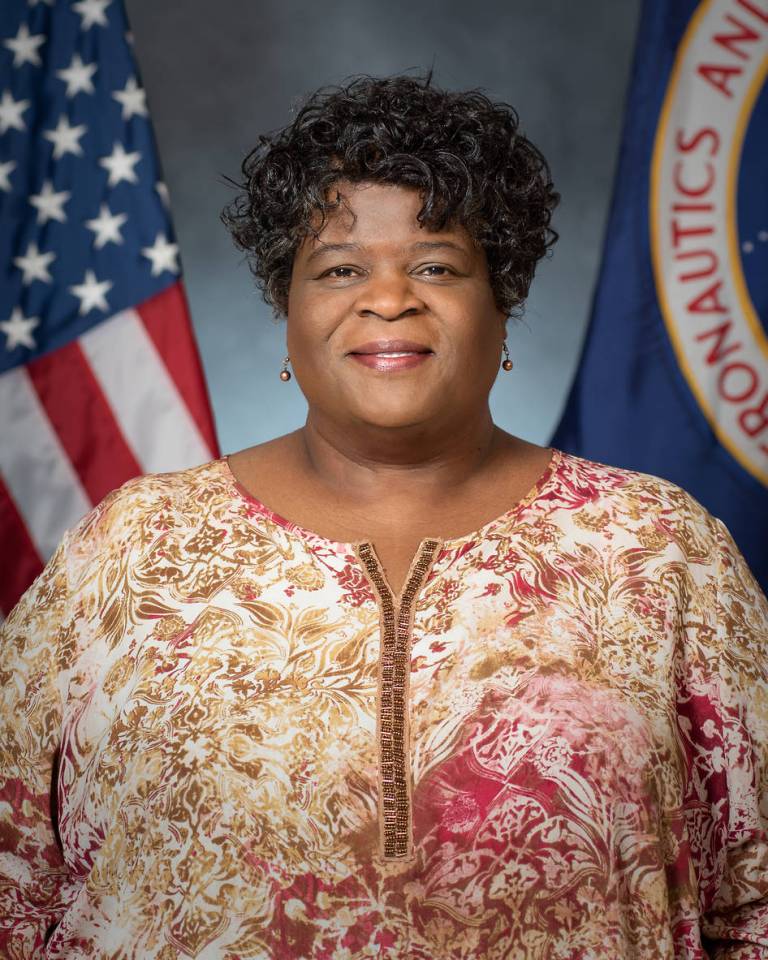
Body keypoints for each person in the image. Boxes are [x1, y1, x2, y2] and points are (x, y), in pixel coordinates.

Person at [1, 72, 767, 960]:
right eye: (339, 268)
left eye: (437, 265)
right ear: (286, 312)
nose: (390, 297)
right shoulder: (132, 548)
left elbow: (752, 903)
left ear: (503, 302)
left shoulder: (660, 548)